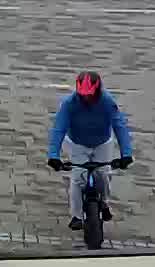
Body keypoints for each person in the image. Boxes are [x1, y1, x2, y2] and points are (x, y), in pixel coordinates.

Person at [45, 71, 135, 231]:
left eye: (90, 95)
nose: (86, 99)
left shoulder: (107, 102)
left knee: (103, 174)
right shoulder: (69, 104)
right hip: (77, 144)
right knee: (78, 178)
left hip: (102, 143)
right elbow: (59, 129)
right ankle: (76, 216)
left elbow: (119, 126)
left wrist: (126, 154)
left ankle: (105, 203)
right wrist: (53, 155)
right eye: (83, 95)